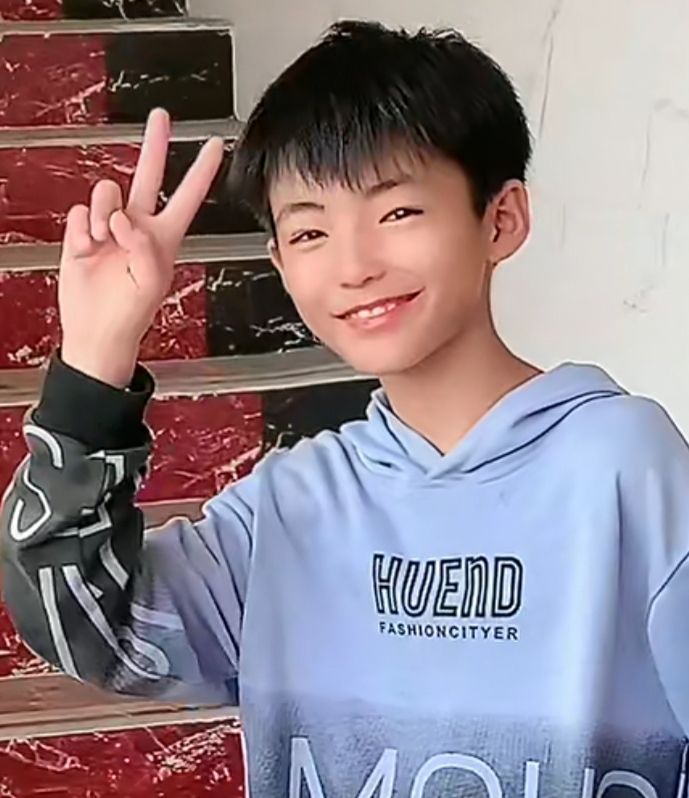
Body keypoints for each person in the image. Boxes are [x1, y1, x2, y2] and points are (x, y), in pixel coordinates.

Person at [1, 18, 688, 797]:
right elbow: (90, 629)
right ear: (278, 263)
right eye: (309, 232)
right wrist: (94, 362)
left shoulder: (622, 469)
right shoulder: (290, 507)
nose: (353, 266)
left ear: (500, 219)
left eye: (397, 213)